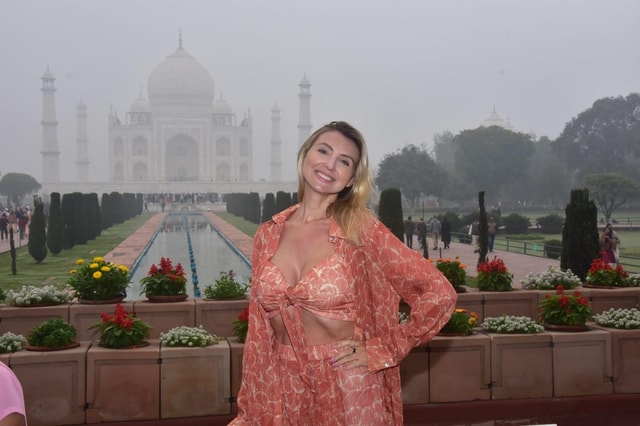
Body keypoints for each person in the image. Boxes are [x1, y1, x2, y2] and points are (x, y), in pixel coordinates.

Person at [230, 121, 457, 425]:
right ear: (305, 155)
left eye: (344, 161)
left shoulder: (360, 231)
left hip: (347, 382)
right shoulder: (268, 234)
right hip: (284, 387)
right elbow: (259, 334)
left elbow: (439, 294)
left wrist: (383, 348)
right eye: (324, 151)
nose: (329, 164)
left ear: (351, 179)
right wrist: (248, 411)